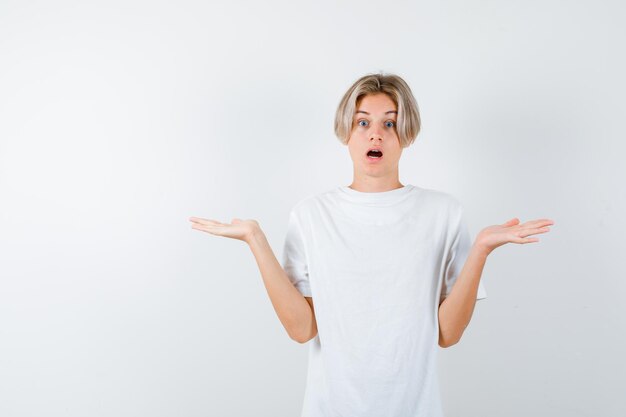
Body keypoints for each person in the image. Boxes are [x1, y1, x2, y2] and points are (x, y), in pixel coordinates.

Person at [189, 72, 554, 416]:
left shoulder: (442, 213)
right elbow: (302, 329)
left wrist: (481, 250)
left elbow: (447, 333)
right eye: (363, 122)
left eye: (389, 123)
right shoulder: (311, 215)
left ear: (405, 135)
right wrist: (256, 240)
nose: (375, 134)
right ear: (346, 132)